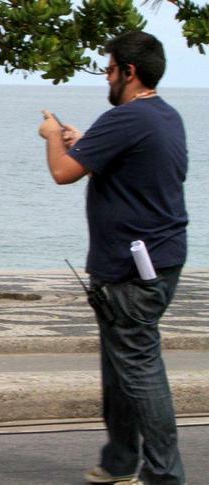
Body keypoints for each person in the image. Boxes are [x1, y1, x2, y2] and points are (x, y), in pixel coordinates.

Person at [39, 31, 188, 485]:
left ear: (129, 72)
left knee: (139, 369)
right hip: (158, 258)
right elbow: (133, 165)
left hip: (131, 270)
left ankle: (164, 475)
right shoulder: (165, 116)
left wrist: (52, 136)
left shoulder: (125, 117)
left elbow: (64, 172)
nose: (106, 76)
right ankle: (120, 460)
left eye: (109, 69)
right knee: (121, 366)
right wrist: (84, 139)